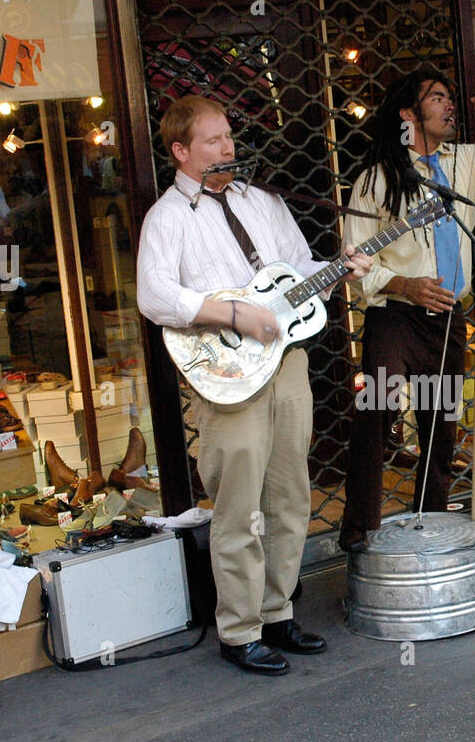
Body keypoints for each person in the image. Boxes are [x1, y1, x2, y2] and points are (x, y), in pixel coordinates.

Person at [136, 95, 373, 675]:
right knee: (239, 506)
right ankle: (238, 630)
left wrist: (340, 268)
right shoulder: (166, 217)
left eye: (228, 138)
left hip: (286, 362)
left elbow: (298, 275)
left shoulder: (262, 202)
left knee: (291, 495)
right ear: (181, 151)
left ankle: (277, 612)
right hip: (225, 375)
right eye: (213, 141)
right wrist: (234, 316)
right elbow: (156, 296)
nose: (227, 148)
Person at [338, 71, 475, 551]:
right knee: (376, 416)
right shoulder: (376, 180)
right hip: (394, 318)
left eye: (449, 98)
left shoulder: (466, 162)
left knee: (439, 429)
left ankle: (432, 528)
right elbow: (354, 263)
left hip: (447, 322)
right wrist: (405, 284)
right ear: (407, 113)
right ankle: (360, 535)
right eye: (435, 97)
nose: (448, 106)